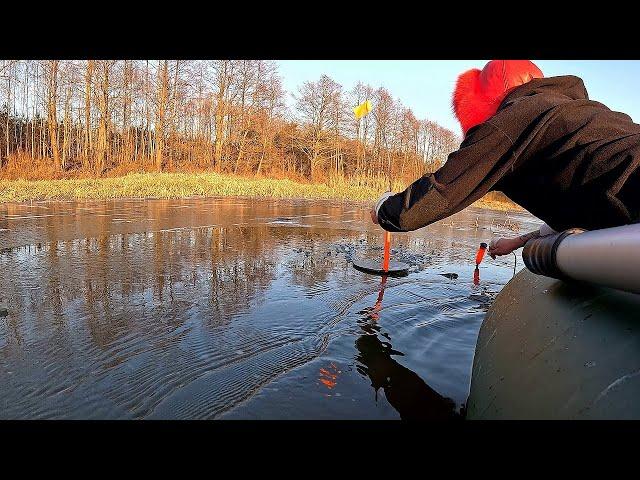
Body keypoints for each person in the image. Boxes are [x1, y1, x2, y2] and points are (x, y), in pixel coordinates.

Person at [370, 60, 640, 258]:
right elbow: (588, 203)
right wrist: (518, 241)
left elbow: (442, 192)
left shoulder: (515, 117)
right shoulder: (581, 117)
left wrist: (385, 210)